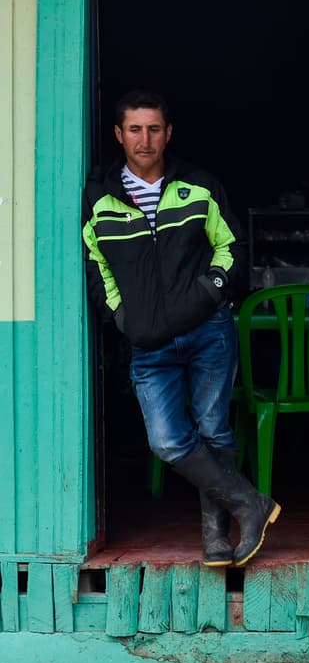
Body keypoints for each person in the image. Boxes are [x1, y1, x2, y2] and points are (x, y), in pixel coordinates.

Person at [82, 90, 281, 568]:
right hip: (148, 342)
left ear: (168, 133)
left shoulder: (199, 186)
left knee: (214, 429)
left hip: (207, 329)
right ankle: (249, 503)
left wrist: (210, 291)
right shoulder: (101, 198)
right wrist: (121, 316)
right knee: (167, 441)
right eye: (134, 129)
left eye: (154, 128)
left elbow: (230, 247)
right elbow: (97, 264)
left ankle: (216, 536)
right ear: (118, 134)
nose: (144, 139)